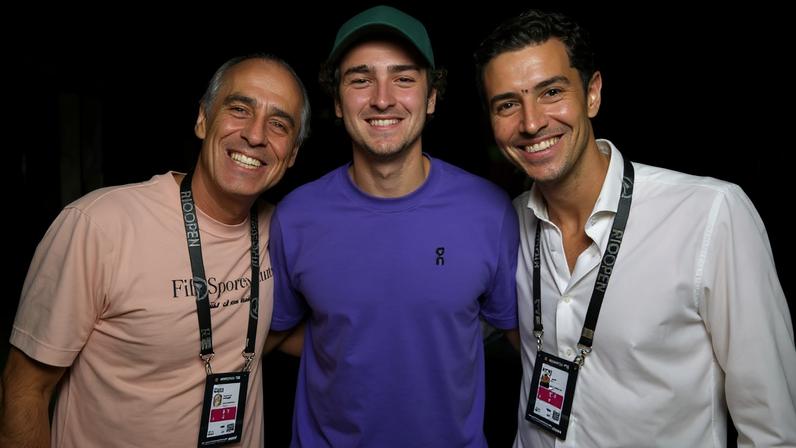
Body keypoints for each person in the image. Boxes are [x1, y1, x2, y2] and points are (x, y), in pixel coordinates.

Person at [474, 9, 796, 447]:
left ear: (592, 94)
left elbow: (770, 427)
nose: (531, 123)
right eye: (508, 104)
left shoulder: (709, 215)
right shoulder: (502, 225)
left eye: (551, 92)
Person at [0, 54, 310, 447]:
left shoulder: (284, 232)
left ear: (293, 154)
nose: (255, 134)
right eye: (238, 109)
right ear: (203, 119)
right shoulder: (100, 225)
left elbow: (306, 331)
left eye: (279, 124)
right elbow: (25, 389)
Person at [269, 5, 519, 447]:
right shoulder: (295, 216)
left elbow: (523, 341)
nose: (382, 98)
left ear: (432, 97)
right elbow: (269, 336)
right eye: (360, 79)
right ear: (337, 102)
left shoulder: (489, 211)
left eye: (404, 79)